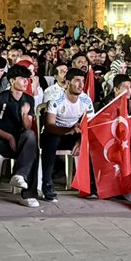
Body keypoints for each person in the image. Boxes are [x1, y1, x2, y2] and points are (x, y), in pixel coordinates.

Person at [0, 64, 41, 207]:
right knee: (31, 151)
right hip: (0, 139)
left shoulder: (29, 100)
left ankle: (19, 176)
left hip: (20, 140)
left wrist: (24, 115)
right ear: (11, 81)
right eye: (22, 79)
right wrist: (9, 137)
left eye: (27, 80)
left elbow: (28, 127)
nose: (25, 82)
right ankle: (27, 193)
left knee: (30, 137)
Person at [41, 69, 94, 201]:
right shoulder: (57, 99)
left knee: (92, 143)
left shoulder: (86, 100)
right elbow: (49, 126)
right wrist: (67, 130)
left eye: (83, 81)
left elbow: (91, 125)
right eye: (77, 81)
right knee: (51, 141)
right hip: (54, 133)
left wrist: (81, 140)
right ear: (68, 83)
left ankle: (90, 186)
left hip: (73, 135)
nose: (81, 85)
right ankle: (47, 184)